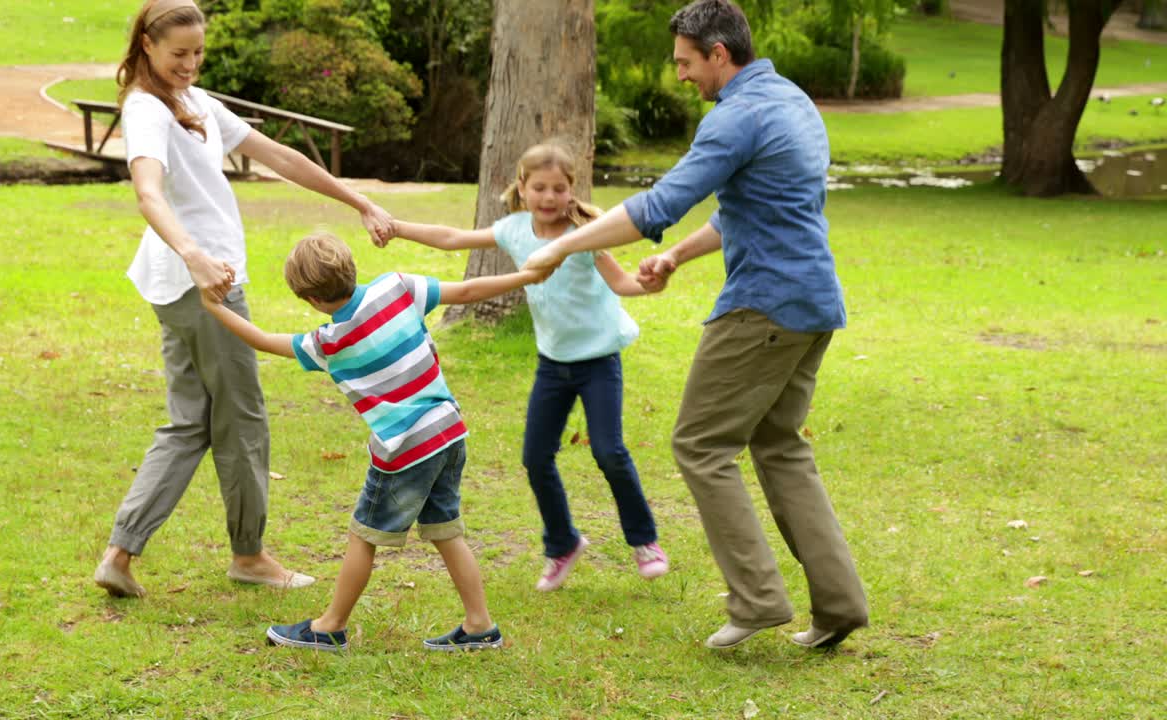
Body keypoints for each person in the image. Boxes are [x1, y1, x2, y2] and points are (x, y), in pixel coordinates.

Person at [521, 0, 869, 649]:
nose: (680, 75)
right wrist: (680, 254)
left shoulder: (735, 116)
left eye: (685, 62)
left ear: (718, 54)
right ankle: (839, 604)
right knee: (780, 446)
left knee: (700, 445)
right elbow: (753, 208)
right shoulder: (791, 101)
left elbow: (658, 205)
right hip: (814, 302)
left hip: (762, 307)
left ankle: (759, 598)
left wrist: (561, 245)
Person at [93, 0, 395, 598]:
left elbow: (278, 155)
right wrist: (195, 256)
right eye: (178, 54)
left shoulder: (196, 103)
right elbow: (148, 193)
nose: (190, 64)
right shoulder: (148, 111)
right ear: (148, 47)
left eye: (198, 53)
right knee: (244, 418)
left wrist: (356, 199)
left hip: (181, 283)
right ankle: (250, 555)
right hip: (202, 283)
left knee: (190, 423)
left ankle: (119, 554)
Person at [202, 232, 548, 651]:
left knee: (364, 536)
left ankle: (329, 627)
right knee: (445, 531)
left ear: (309, 299)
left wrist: (213, 306)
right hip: (448, 431)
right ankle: (480, 625)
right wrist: (528, 275)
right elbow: (471, 289)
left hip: (405, 450)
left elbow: (261, 340)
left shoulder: (329, 342)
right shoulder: (398, 287)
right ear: (352, 267)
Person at [385, 143, 669, 592]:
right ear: (522, 187)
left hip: (598, 361)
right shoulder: (515, 230)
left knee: (609, 452)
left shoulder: (585, 231)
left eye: (559, 188)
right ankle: (562, 544)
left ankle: (645, 541)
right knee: (535, 458)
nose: (549, 197)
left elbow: (622, 283)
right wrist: (397, 227)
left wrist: (651, 283)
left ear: (572, 189)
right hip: (552, 364)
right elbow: (453, 238)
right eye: (539, 187)